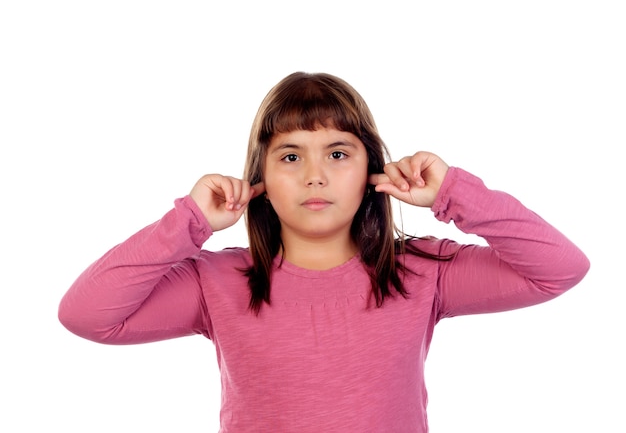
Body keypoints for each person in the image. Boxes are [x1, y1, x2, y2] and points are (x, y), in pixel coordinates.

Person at [58, 71, 590, 432]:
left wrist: (453, 192)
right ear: (259, 175)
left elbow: (560, 269)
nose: (315, 175)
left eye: (338, 152)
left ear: (371, 167)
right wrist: (188, 222)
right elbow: (86, 315)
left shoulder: (421, 271)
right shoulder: (214, 281)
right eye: (290, 155)